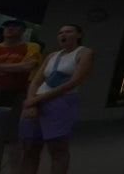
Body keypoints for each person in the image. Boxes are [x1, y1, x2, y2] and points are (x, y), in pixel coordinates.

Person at [19, 24, 93, 174]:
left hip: (60, 101)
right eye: (60, 32)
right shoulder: (52, 56)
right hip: (37, 100)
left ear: (79, 35)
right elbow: (36, 81)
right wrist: (31, 102)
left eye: (68, 31)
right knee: (30, 146)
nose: (63, 35)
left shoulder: (84, 52)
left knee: (57, 147)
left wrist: (37, 100)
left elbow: (75, 81)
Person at [0, 18, 41, 165]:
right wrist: (13, 69)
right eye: (7, 26)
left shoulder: (31, 47)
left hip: (17, 93)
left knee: (13, 135)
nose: (10, 29)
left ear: (22, 31)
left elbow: (27, 67)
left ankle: (15, 169)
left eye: (15, 26)